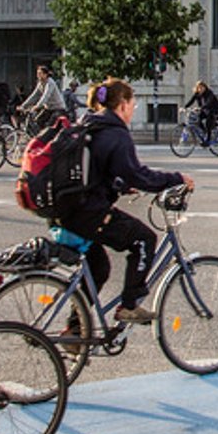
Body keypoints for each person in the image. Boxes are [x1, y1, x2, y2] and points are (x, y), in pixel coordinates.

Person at [61, 79, 193, 325]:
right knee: (144, 240)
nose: (134, 109)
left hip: (68, 211)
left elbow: (97, 170)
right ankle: (129, 306)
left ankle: (74, 330)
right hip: (89, 213)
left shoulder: (90, 123)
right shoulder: (115, 132)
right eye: (132, 103)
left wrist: (119, 186)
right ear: (122, 105)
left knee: (98, 270)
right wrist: (176, 178)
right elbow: (138, 174)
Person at [18, 65, 68, 133]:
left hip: (58, 108)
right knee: (38, 121)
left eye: (40, 73)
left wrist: (36, 106)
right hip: (48, 108)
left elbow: (45, 96)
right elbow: (34, 96)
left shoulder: (50, 83)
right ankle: (42, 138)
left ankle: (50, 139)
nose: (38, 75)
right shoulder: (40, 83)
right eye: (37, 73)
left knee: (50, 125)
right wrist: (23, 105)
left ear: (45, 74)